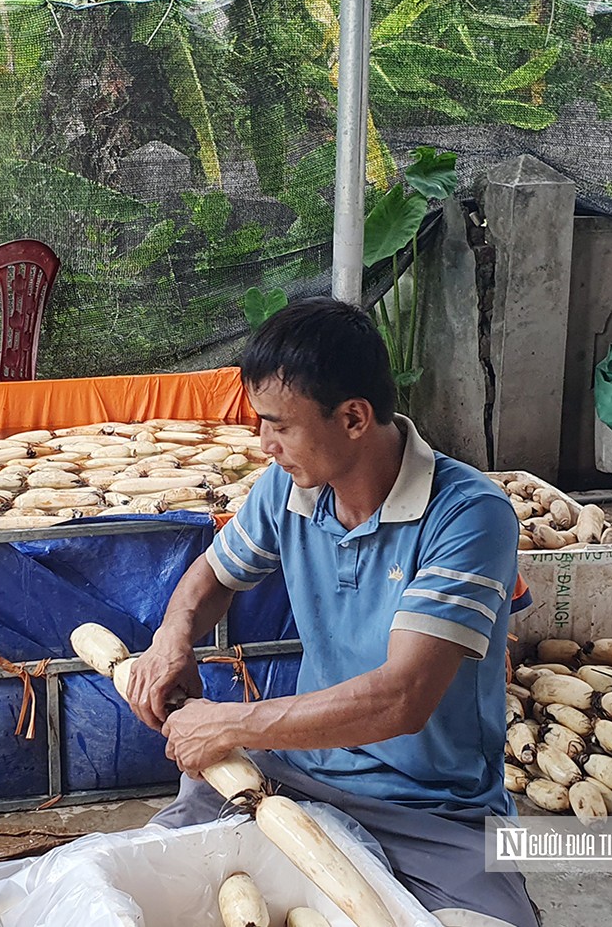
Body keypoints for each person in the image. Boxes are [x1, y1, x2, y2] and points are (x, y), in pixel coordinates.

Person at [125, 297, 537, 927]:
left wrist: (231, 725)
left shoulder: (469, 516)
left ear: (352, 418)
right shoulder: (288, 491)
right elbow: (212, 574)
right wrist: (171, 638)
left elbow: (403, 698)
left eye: (279, 425)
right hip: (293, 775)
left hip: (431, 810)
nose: (264, 444)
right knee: (141, 888)